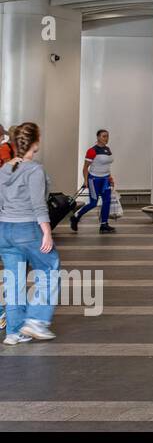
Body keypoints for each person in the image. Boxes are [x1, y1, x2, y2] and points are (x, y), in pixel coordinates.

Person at [0, 123, 59, 344]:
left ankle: (14, 332)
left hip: (4, 229)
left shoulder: (4, 169)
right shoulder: (35, 169)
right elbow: (38, 205)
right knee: (49, 267)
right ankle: (36, 320)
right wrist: (47, 233)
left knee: (13, 279)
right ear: (36, 142)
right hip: (27, 227)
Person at [70, 128, 117, 233]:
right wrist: (86, 181)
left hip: (105, 180)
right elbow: (85, 168)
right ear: (98, 137)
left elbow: (107, 165)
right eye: (104, 136)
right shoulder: (92, 151)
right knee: (93, 203)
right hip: (94, 179)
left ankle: (104, 224)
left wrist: (110, 177)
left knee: (107, 201)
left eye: (107, 136)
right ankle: (75, 216)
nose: (106, 138)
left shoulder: (108, 149)